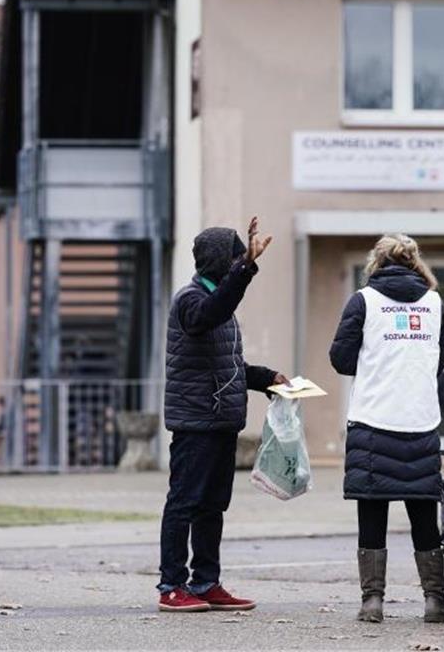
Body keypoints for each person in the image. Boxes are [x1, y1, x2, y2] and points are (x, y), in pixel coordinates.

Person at [157, 217, 288, 613]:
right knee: (184, 503)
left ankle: (206, 582)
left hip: (221, 422)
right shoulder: (192, 301)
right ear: (220, 263)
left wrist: (269, 379)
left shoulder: (220, 304)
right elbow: (212, 311)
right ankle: (172, 585)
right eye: (233, 259)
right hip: (195, 423)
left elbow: (228, 366)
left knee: (213, 505)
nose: (237, 265)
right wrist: (246, 267)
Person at [329, 234, 444, 624]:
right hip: (420, 419)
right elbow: (441, 359)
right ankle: (435, 601)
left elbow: (341, 359)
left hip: (373, 419)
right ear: (414, 262)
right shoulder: (434, 302)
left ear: (376, 262)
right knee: (423, 515)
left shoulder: (364, 300)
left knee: (372, 511)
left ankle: (373, 602)